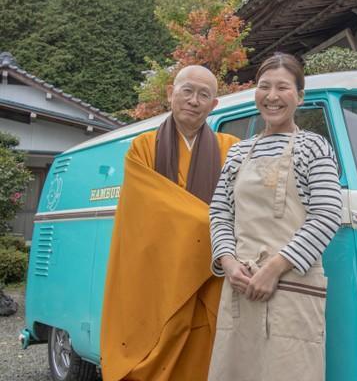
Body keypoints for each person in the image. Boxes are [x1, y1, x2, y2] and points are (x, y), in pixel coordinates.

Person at [209, 53, 343, 381]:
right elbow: (220, 212)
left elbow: (327, 214)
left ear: (300, 96)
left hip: (292, 286)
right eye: (264, 86)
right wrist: (228, 263)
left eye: (283, 87)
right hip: (241, 286)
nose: (272, 96)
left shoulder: (315, 147)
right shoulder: (239, 151)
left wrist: (273, 269)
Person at [101, 65, 238, 381]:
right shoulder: (142, 148)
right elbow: (148, 212)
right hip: (158, 273)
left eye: (204, 95)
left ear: (214, 105)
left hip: (210, 275)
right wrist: (213, 226)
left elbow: (239, 208)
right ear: (170, 93)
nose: (194, 100)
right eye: (187, 90)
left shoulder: (230, 148)